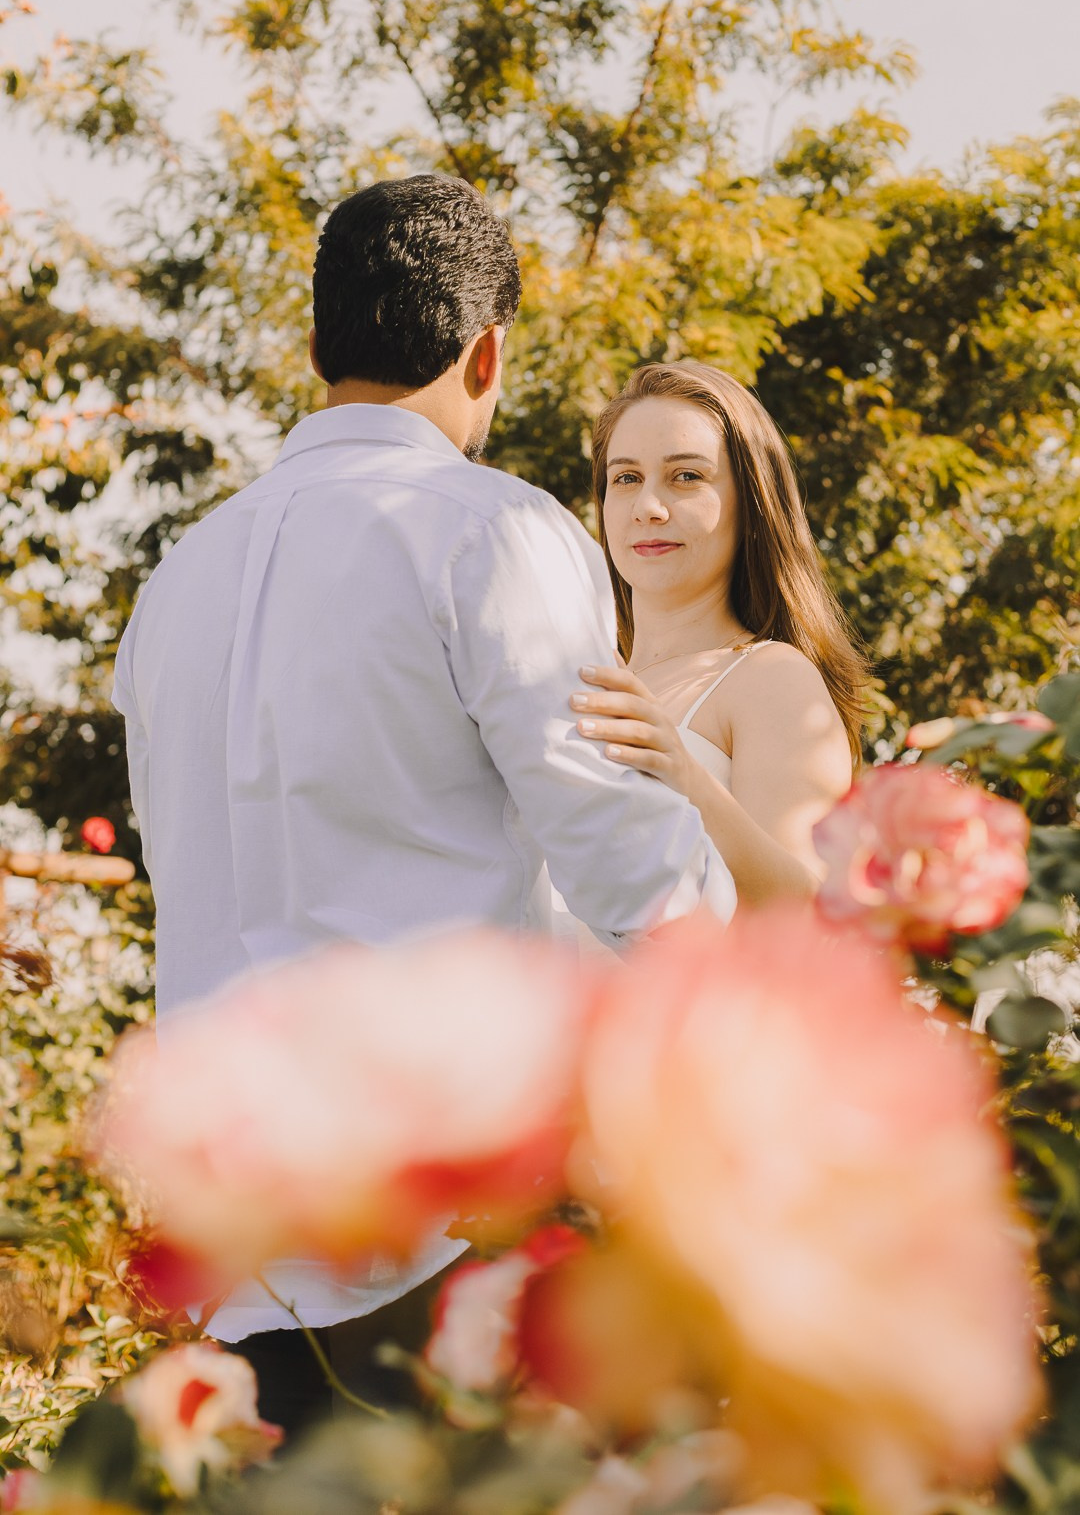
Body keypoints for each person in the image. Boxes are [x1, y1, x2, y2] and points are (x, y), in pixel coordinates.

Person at [111, 177, 735, 1439]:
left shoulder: (176, 579)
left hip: (245, 1262)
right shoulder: (492, 532)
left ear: (314, 346)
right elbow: (631, 862)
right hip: (450, 1237)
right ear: (486, 350)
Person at [569, 360, 870, 906]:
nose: (649, 508)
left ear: (751, 502)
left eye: (686, 476)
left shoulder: (769, 676)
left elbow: (808, 915)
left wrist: (688, 779)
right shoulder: (579, 677)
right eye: (626, 478)